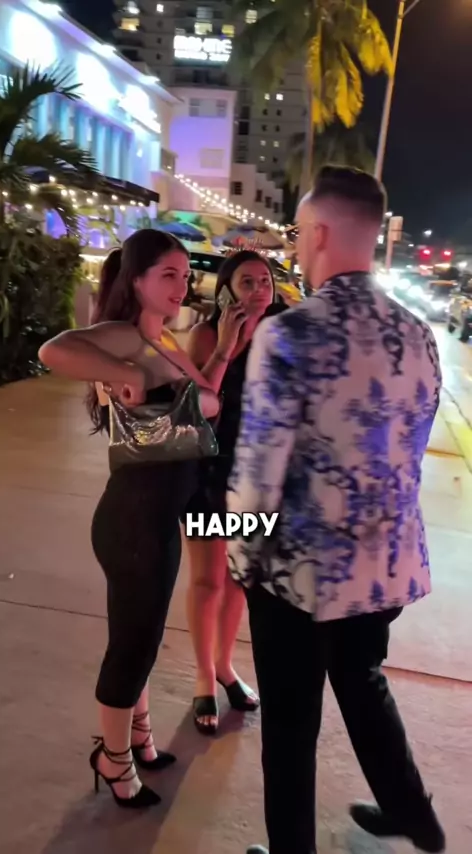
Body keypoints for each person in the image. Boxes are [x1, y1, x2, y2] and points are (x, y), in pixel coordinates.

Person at [227, 167, 446, 854]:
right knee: (361, 678)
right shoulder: (418, 333)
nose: (296, 244)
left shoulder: (291, 334)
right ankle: (414, 814)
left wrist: (236, 554)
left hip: (300, 575)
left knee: (291, 725)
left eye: (298, 231)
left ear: (319, 231)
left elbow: (257, 475)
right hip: (386, 568)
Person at [39, 230, 219, 809]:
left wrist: (224, 347)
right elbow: (54, 351)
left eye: (185, 275)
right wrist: (132, 375)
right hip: (136, 520)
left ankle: (139, 738)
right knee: (132, 647)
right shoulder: (126, 336)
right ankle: (113, 761)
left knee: (140, 638)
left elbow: (206, 403)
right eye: (168, 274)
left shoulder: (163, 338)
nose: (181, 285)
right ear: (136, 280)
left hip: (155, 517)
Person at [185, 250, 285, 734]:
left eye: (265, 281)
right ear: (226, 290)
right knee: (207, 580)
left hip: (257, 478)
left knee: (238, 581)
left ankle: (225, 666)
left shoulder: (281, 334)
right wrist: (228, 345)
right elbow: (196, 406)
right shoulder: (206, 334)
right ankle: (204, 677)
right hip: (209, 473)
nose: (259, 290)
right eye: (247, 281)